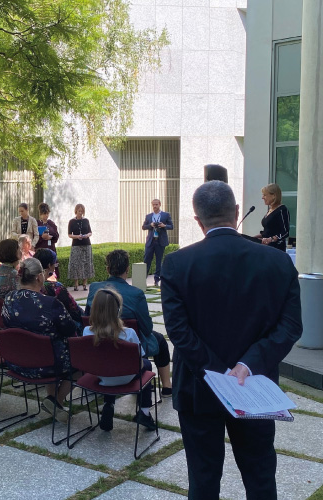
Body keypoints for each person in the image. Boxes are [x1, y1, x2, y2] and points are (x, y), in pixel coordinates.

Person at [161, 180, 302, 500]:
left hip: (199, 387)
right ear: (237, 211)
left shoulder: (176, 264)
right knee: (260, 477)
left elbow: (178, 331)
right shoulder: (278, 262)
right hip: (255, 388)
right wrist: (247, 365)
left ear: (198, 220)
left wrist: (217, 370)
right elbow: (292, 326)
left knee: (203, 479)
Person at [85, 249, 172, 396]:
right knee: (161, 341)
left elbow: (88, 316)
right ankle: (167, 387)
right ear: (127, 269)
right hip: (129, 342)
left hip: (98, 340)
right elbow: (147, 327)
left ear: (107, 269)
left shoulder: (94, 288)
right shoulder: (136, 293)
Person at [2, 258, 78, 421]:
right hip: (46, 365)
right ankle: (55, 400)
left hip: (17, 362)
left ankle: (54, 404)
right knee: (81, 360)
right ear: (38, 277)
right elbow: (70, 329)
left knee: (48, 346)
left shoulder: (8, 299)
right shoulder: (50, 303)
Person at [83, 289, 156, 431]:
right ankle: (145, 412)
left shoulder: (87, 332)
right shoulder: (129, 333)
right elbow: (139, 359)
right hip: (126, 377)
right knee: (146, 365)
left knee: (108, 365)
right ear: (118, 311)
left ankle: (108, 405)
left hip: (101, 376)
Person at [35, 248, 83, 334]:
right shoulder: (56, 287)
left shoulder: (26, 287)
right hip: (57, 332)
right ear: (49, 265)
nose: (55, 267)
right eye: (55, 264)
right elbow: (75, 310)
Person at [142, 199, 173, 287]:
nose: (155, 206)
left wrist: (164, 226)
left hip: (160, 241)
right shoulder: (148, 216)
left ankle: (156, 280)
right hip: (151, 241)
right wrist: (150, 225)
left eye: (156, 204)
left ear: (159, 204)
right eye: (153, 205)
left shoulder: (165, 215)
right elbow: (143, 227)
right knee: (147, 260)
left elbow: (171, 226)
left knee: (159, 261)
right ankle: (143, 279)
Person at [67, 203, 94, 291]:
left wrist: (87, 235)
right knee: (75, 264)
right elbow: (69, 235)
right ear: (76, 211)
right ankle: (76, 284)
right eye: (79, 211)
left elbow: (90, 232)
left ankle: (84, 284)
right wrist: (77, 236)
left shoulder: (86, 220)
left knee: (86, 263)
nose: (80, 213)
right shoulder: (71, 221)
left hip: (86, 244)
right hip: (76, 245)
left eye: (82, 211)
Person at [258, 183, 290, 252]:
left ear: (274, 196)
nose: (262, 197)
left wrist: (270, 239)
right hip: (265, 248)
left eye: (265, 195)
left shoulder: (282, 210)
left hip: (276, 249)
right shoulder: (270, 210)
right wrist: (251, 238)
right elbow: (268, 231)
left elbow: (285, 232)